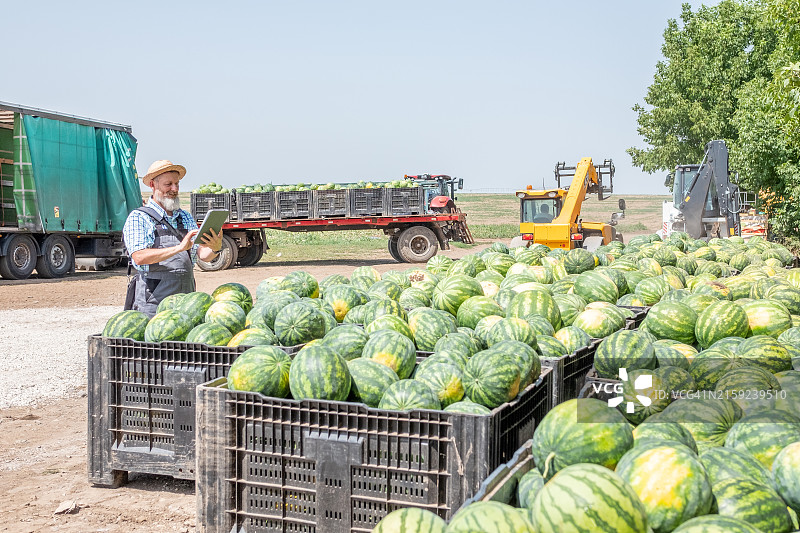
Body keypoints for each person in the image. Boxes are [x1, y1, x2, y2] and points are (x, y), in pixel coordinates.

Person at [123, 160, 223, 316]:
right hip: (153, 305)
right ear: (152, 185)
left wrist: (215, 248)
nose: (174, 189)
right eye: (168, 184)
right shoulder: (140, 217)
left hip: (186, 303)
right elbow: (139, 257)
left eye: (177, 184)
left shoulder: (185, 217)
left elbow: (202, 254)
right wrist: (179, 248)